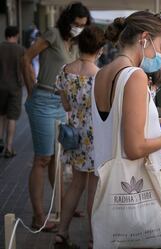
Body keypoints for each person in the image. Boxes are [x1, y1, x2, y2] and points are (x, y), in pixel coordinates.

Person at [92, 11, 161, 244]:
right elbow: (135, 148)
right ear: (144, 38)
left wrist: (157, 122)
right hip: (133, 191)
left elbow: (115, 123)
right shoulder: (135, 75)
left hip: (108, 187)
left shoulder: (102, 73)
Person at [21, 2, 91, 232]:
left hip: (61, 103)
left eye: (83, 25)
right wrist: (32, 87)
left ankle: (63, 206)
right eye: (76, 24)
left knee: (56, 158)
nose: (79, 28)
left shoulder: (76, 43)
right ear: (67, 21)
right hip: (43, 99)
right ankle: (38, 216)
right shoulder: (52, 34)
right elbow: (26, 57)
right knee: (42, 158)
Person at [53, 26, 104, 249]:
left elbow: (65, 105)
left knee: (76, 184)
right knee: (94, 188)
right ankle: (94, 239)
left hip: (74, 134)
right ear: (100, 49)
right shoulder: (100, 76)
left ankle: (61, 232)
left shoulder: (65, 71)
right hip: (94, 137)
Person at [0, 26, 25, 157]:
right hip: (15, 88)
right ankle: (9, 148)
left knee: (1, 115)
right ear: (16, 35)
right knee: (12, 118)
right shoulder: (21, 50)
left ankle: (0, 141)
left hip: (0, 87)